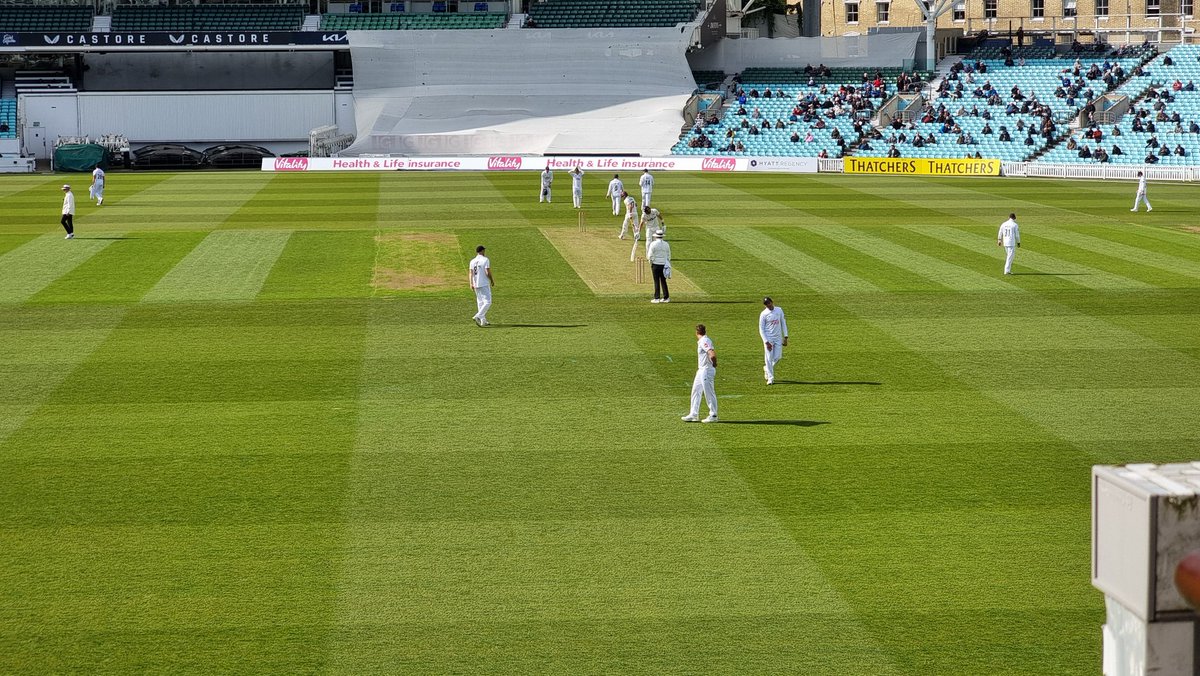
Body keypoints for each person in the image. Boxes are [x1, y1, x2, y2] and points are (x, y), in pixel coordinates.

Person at [681, 324, 718, 423]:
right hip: (701, 370)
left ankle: (713, 415)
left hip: (706, 370)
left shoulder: (704, 341)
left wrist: (714, 364)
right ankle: (693, 414)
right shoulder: (703, 341)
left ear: (696, 332)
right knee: (695, 391)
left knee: (709, 392)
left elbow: (712, 354)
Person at [758, 297, 788, 385]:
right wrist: (766, 342)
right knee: (768, 358)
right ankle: (770, 379)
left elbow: (783, 323)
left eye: (769, 303)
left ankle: (767, 368)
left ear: (772, 302)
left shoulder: (779, 310)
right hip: (769, 338)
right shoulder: (763, 314)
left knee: (778, 357)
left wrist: (785, 337)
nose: (768, 305)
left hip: (778, 338)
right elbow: (761, 329)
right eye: (766, 304)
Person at [468, 245, 493, 326]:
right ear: (482, 251)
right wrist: (491, 280)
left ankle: (483, 321)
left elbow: (470, 273)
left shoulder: (472, 261)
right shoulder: (485, 260)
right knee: (488, 302)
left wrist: (471, 283)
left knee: (480, 302)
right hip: (484, 283)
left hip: (476, 284)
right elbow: (487, 272)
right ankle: (478, 315)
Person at [647, 230, 671, 304]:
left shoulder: (653, 244)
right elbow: (669, 255)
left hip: (656, 264)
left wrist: (651, 262)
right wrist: (667, 262)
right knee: (663, 281)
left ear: (656, 236)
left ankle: (657, 298)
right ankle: (666, 297)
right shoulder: (666, 244)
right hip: (664, 264)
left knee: (656, 281)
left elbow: (650, 255)